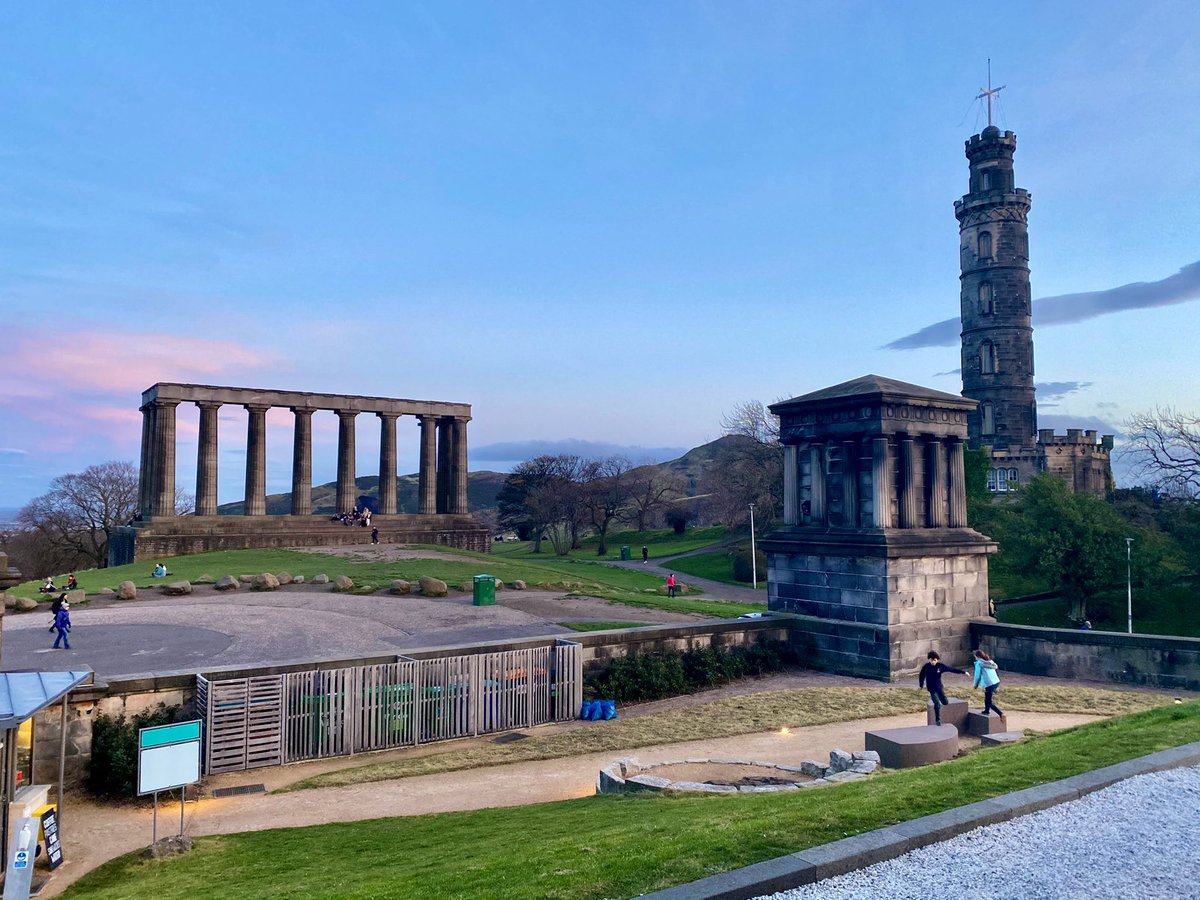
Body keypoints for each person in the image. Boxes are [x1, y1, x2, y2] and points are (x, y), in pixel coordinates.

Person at [918, 650, 965, 726]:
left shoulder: (940, 666)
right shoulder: (926, 667)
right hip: (931, 689)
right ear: (929, 659)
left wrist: (963, 672)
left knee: (945, 702)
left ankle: (943, 699)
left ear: (937, 660)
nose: (933, 662)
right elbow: (921, 675)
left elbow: (951, 669)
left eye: (934, 660)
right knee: (937, 704)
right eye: (931, 660)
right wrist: (921, 684)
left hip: (939, 688)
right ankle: (938, 719)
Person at [972, 649, 1003, 717]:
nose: (975, 658)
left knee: (989, 701)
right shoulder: (989, 661)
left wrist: (975, 685)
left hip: (989, 683)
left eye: (975, 656)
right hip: (996, 682)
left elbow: (977, 676)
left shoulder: (979, 663)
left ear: (978, 656)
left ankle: (1000, 713)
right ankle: (986, 711)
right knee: (987, 698)